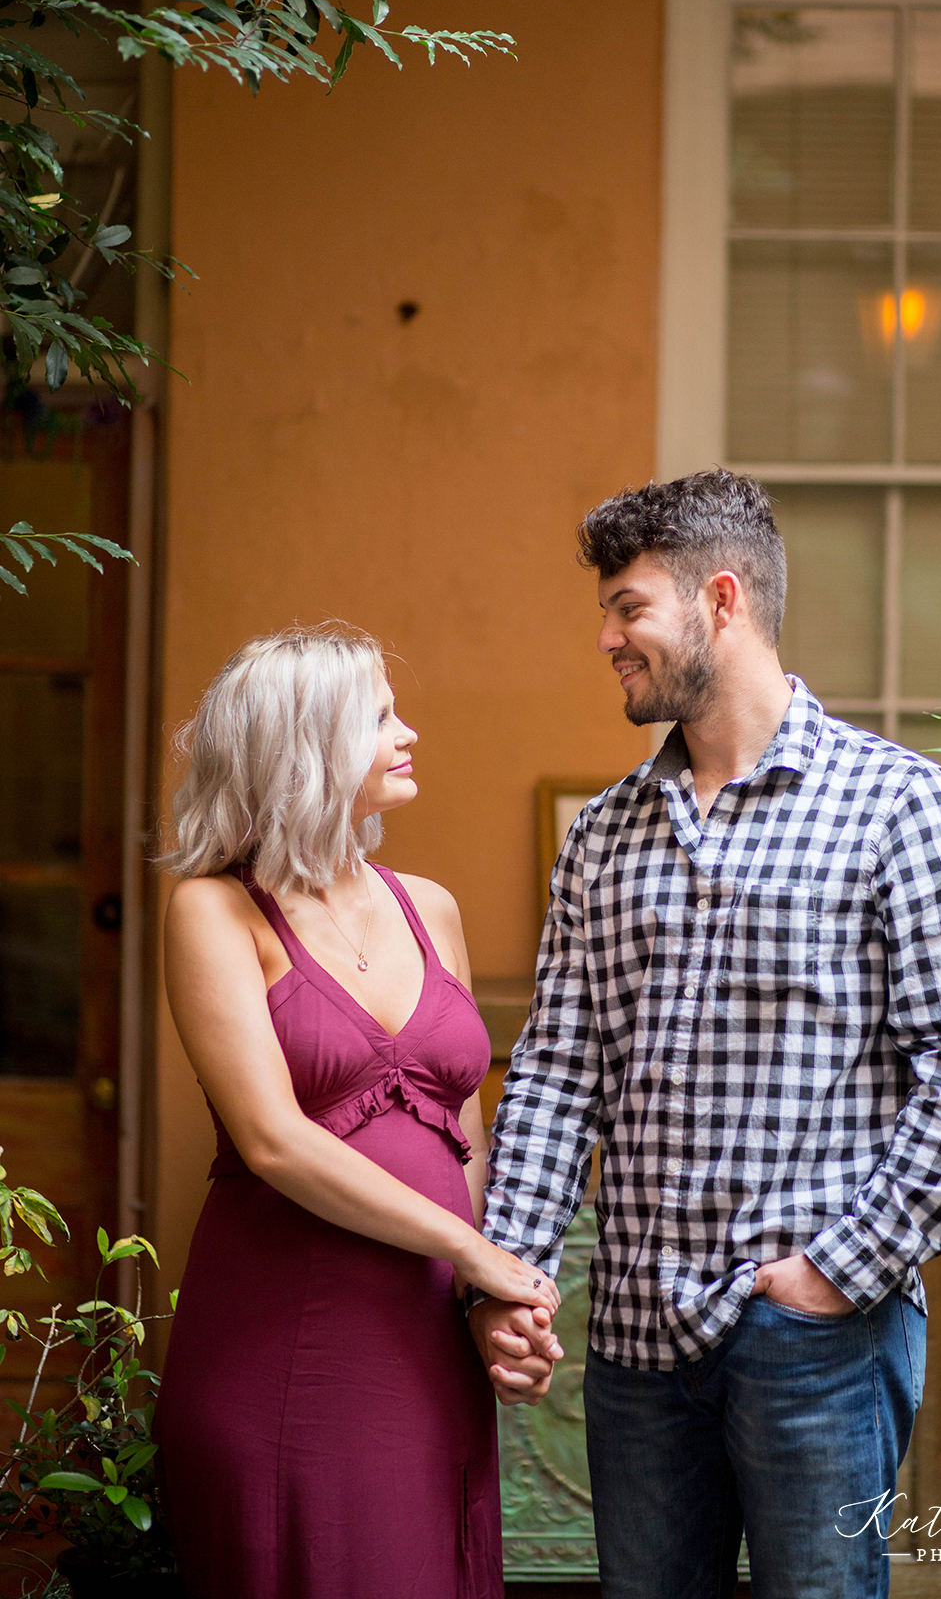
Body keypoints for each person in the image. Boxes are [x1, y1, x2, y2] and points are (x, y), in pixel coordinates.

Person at [470, 471, 941, 1599]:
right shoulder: (605, 839)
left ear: (721, 599)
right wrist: (513, 1278)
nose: (607, 639)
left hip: (815, 1343)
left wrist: (836, 1272)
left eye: (629, 608)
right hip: (631, 1337)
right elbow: (559, 1075)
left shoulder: (900, 807)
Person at [156, 627, 558, 1599]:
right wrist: (475, 1257)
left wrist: (484, 1301)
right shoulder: (215, 910)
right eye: (380, 716)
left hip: (426, 1342)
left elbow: (462, 1130)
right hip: (284, 1339)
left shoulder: (431, 906)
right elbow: (274, 1142)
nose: (408, 732)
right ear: (309, 744)